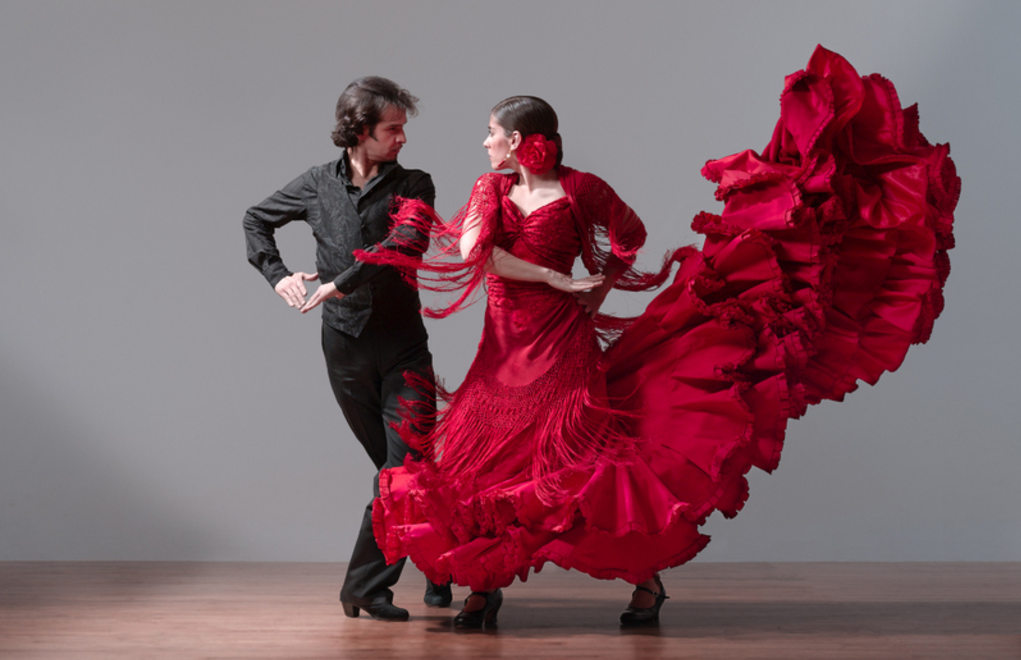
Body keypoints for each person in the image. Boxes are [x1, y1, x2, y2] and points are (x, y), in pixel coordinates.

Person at [365, 46, 959, 629]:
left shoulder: (582, 188)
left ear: (518, 139)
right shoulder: (489, 189)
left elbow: (631, 234)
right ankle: (484, 584)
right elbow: (476, 252)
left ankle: (645, 579)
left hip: (562, 346)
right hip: (502, 350)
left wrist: (599, 289)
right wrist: (555, 277)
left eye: (492, 132)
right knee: (485, 461)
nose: (485, 142)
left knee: (586, 463)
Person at [243, 76, 451, 621]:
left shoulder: (416, 183)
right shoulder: (317, 184)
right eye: (392, 128)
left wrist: (340, 282)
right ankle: (442, 564)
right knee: (400, 472)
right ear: (360, 131)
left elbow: (407, 242)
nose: (403, 137)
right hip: (344, 349)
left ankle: (364, 587)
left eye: (403, 128)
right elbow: (256, 219)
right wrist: (278, 275)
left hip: (404, 348)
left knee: (406, 468)